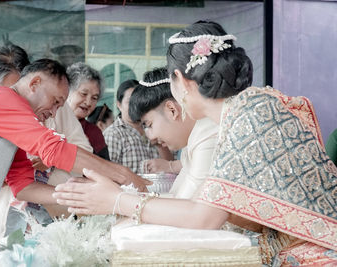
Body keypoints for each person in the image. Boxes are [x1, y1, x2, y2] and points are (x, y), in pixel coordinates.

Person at [54, 21, 337, 265]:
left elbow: (204, 217)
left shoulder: (249, 112)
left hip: (318, 254)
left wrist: (117, 200)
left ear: (179, 80)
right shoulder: (240, 113)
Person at [0, 58, 147, 264]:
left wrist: (77, 196)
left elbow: (23, 186)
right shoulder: (2, 100)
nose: (53, 113)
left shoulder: (11, 126)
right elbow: (55, 150)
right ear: (34, 83)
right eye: (55, 102)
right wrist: (124, 175)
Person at [129, 67, 218, 198]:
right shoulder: (192, 143)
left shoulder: (207, 133)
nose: (151, 137)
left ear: (172, 110)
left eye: (149, 125)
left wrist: (123, 200)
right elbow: (176, 196)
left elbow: (187, 207)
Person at [104, 79, 174, 173]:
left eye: (137, 101)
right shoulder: (113, 134)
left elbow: (172, 167)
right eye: (129, 102)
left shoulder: (155, 126)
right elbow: (107, 172)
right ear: (119, 105)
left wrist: (159, 145)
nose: (135, 106)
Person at [67, 62, 110, 160]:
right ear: (68, 90)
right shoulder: (49, 121)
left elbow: (105, 167)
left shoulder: (94, 133)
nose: (88, 102)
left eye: (94, 98)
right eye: (83, 94)